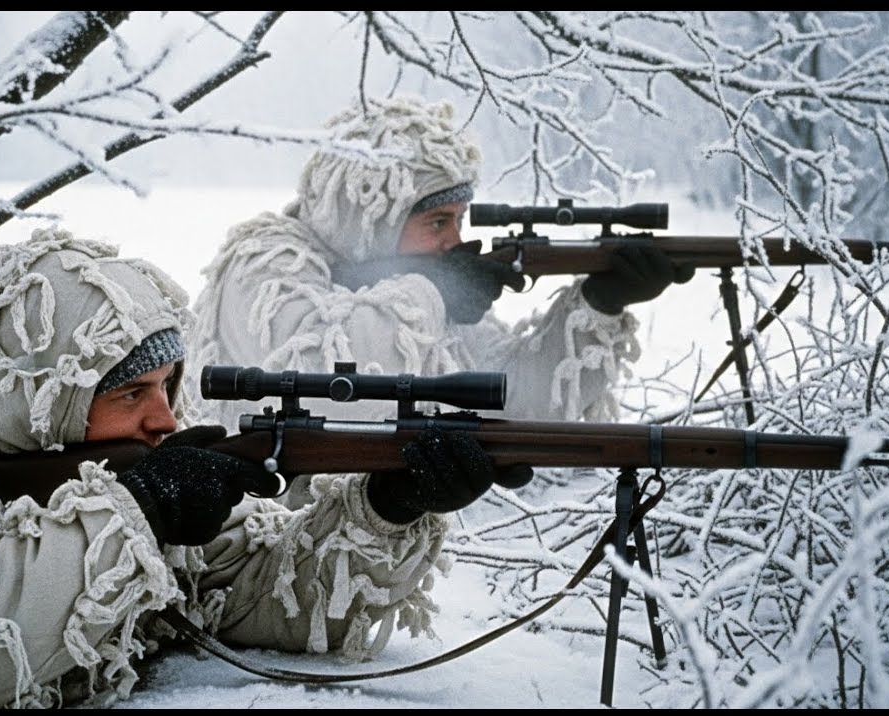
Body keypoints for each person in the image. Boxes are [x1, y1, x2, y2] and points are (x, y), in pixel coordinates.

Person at [0, 228, 530, 709]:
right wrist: (138, 511)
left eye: (167, 388)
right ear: (43, 397)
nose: (163, 419)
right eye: (128, 393)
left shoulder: (122, 471)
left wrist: (384, 507)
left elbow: (264, 601)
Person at [184, 95, 691, 502]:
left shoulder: (412, 298)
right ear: (373, 218)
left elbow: (514, 401)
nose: (454, 240)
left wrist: (597, 305)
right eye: (437, 222)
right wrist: (436, 294)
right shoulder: (266, 265)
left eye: (459, 220)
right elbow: (328, 380)